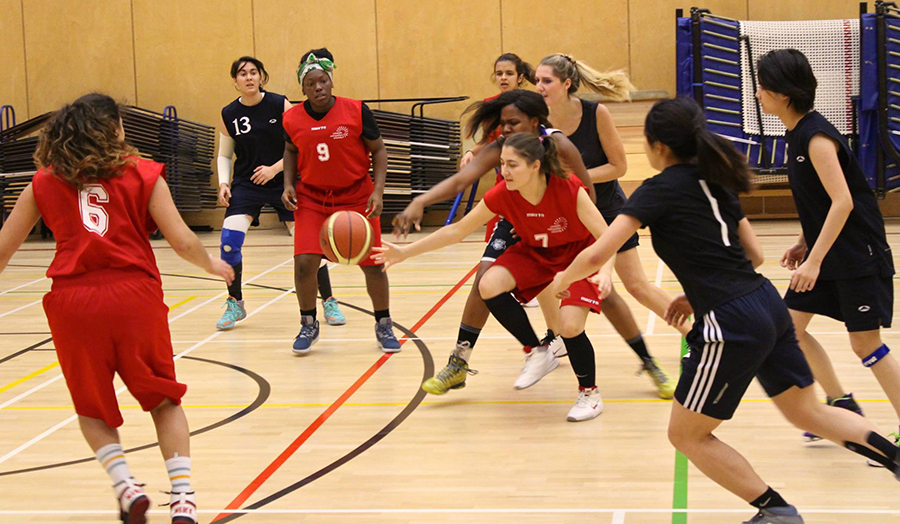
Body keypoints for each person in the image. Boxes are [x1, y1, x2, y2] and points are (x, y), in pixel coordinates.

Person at [550, 96, 900, 524]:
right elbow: (752, 255)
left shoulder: (656, 190)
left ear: (658, 146)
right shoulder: (716, 180)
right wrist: (696, 292)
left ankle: (777, 512)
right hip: (765, 303)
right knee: (807, 412)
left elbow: (598, 252)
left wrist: (560, 281)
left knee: (686, 436)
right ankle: (895, 460)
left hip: (729, 322)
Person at [0, 93, 234, 523]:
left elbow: (1, 250)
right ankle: (182, 497)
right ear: (113, 130)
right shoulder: (144, 174)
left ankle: (126, 485)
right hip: (134, 297)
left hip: (74, 303)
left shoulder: (43, 182)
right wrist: (212, 264)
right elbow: (182, 240)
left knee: (92, 408)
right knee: (164, 401)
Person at [377, 132, 613, 421]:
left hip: (578, 255)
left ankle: (590, 394)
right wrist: (405, 252)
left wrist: (606, 270)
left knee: (570, 325)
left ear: (535, 165)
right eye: (502, 163)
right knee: (487, 283)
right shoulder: (503, 194)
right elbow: (457, 230)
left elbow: (606, 237)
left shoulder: (568, 189)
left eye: (512, 165)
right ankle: (538, 351)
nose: (504, 172)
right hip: (537, 253)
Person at [393, 90, 598, 394]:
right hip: (519, 224)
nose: (506, 130)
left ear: (534, 121)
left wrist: (598, 264)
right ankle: (474, 360)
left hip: (567, 233)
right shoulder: (502, 159)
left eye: (513, 123)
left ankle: (627, 363)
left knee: (586, 309)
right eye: (502, 124)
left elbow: (591, 206)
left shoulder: (560, 154)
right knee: (485, 281)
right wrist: (418, 210)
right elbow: (460, 202)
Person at [756, 49, 899, 448]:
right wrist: (806, 242)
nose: (758, 94)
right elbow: (821, 202)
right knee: (790, 328)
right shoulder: (795, 134)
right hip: (828, 253)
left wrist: (814, 260)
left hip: (856, 256)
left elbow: (843, 202)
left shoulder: (817, 138)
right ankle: (842, 405)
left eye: (763, 86)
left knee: (865, 344)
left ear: (784, 93)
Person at [536, 53, 683, 395]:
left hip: (606, 212)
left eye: (547, 81)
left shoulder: (594, 114)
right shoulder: (537, 119)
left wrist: (571, 176)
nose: (540, 87)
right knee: (576, 287)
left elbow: (619, 167)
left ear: (566, 83)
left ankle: (696, 336)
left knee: (637, 286)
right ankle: (553, 341)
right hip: (567, 221)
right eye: (538, 81)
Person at [281, 48, 400, 354]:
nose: (317, 87)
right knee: (305, 263)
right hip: (312, 198)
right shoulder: (291, 118)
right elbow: (291, 151)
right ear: (303, 88)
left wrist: (378, 191)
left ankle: (383, 324)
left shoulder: (356, 111)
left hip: (357, 196)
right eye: (310, 84)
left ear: (331, 82)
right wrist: (287, 184)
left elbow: (380, 151)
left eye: (322, 81)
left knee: (373, 265)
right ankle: (308, 323)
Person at [217, 56, 345, 331]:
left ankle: (329, 299)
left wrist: (275, 169)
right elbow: (225, 155)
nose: (249, 77)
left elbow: (301, 145)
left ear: (262, 77)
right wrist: (224, 183)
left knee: (310, 242)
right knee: (229, 240)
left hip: (283, 179)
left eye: (254, 72)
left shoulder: (279, 104)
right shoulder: (229, 113)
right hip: (247, 182)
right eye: (242, 74)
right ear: (235, 81)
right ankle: (234, 301)